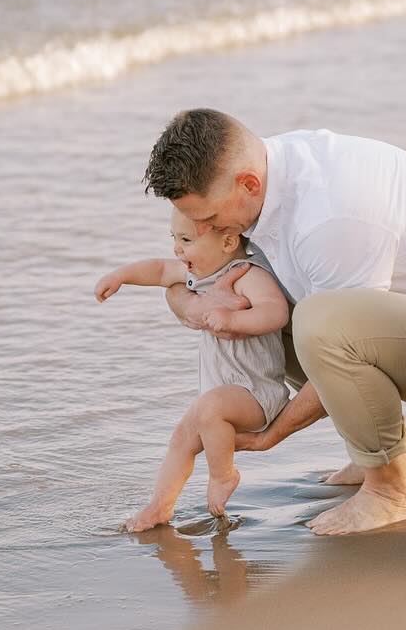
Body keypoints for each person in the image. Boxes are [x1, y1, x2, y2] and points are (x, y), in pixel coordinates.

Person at [139, 113, 406, 536]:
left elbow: (340, 337)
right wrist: (192, 305)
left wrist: (271, 436)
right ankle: (397, 448)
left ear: (248, 185)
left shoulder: (331, 215)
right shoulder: (261, 175)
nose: (204, 229)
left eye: (209, 217)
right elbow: (186, 270)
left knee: (319, 320)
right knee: (263, 309)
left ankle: (390, 488)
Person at [95, 208, 290, 530]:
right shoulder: (196, 275)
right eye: (173, 238)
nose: (177, 248)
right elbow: (158, 270)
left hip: (256, 392)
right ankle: (160, 506)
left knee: (208, 408)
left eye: (186, 239)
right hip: (222, 392)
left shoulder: (249, 274)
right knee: (182, 437)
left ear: (228, 241)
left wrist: (233, 320)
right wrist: (120, 276)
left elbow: (275, 313)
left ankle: (223, 475)